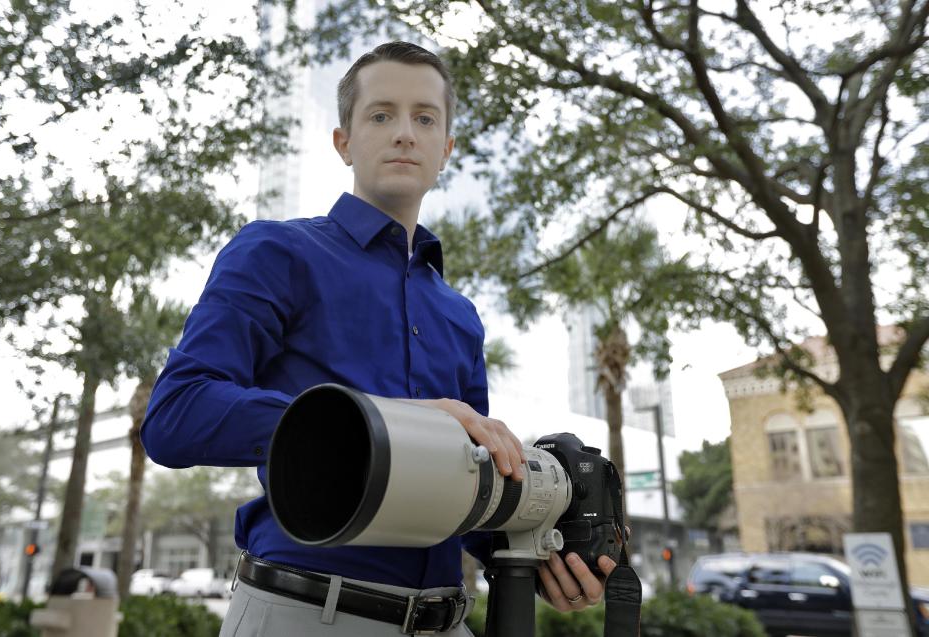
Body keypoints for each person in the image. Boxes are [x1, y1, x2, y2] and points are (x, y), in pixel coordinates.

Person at [141, 41, 618, 636]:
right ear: (344, 141)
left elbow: (466, 498)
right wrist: (382, 426)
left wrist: (545, 550)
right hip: (306, 614)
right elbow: (175, 417)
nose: (404, 134)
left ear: (445, 149)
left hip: (450, 622)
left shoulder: (460, 315)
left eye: (425, 118)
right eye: (380, 114)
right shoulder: (276, 252)